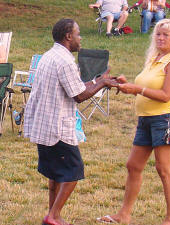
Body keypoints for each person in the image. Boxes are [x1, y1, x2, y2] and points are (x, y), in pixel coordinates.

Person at [23, 18, 118, 225]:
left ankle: (52, 215)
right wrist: (102, 82)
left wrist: (97, 80)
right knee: (73, 172)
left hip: (43, 124)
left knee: (55, 173)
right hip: (57, 127)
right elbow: (79, 96)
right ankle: (54, 215)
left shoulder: (50, 55)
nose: (80, 38)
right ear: (68, 36)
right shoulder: (65, 60)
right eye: (78, 33)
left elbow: (74, 86)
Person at [97, 19, 170, 225]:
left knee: (164, 168)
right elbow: (146, 87)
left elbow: (166, 94)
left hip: (165, 117)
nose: (160, 38)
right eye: (158, 34)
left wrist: (137, 89)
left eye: (166, 34)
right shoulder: (156, 58)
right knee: (133, 165)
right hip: (146, 118)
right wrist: (127, 84)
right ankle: (124, 214)